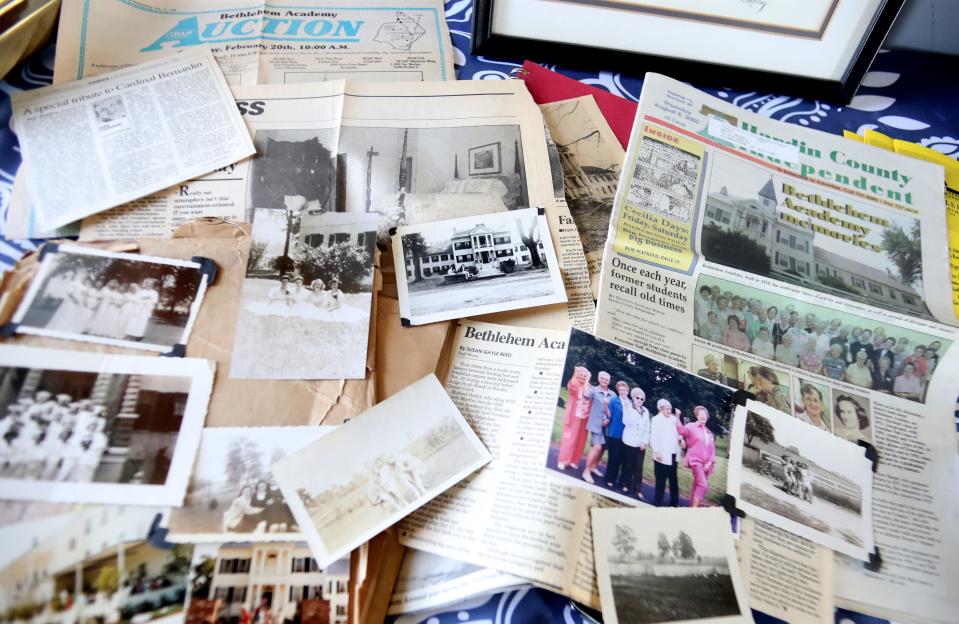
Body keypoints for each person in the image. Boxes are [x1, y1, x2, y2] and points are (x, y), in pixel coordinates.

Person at [675, 406, 716, 507]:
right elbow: (681, 430)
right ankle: (694, 510)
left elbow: (712, 451)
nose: (703, 416)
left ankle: (690, 507)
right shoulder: (691, 426)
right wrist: (677, 416)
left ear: (707, 416)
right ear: (697, 416)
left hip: (706, 464)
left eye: (704, 414)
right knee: (703, 486)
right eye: (700, 414)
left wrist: (709, 463)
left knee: (697, 485)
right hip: (695, 461)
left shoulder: (709, 433)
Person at [556, 366, 591, 471]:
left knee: (580, 440)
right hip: (574, 416)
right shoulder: (575, 383)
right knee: (569, 439)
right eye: (581, 375)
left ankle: (574, 461)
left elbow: (587, 395)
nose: (583, 377)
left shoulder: (588, 386)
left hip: (584, 417)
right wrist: (575, 373)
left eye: (585, 376)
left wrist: (586, 382)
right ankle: (563, 461)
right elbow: (571, 387)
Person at [582, 372, 614, 484]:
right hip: (596, 424)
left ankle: (593, 467)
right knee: (597, 447)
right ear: (599, 378)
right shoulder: (594, 390)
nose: (604, 380)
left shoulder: (613, 394)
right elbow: (586, 394)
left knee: (604, 447)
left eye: (607, 379)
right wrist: (587, 380)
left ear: (609, 381)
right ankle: (586, 472)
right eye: (602, 378)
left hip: (608, 426)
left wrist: (608, 420)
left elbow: (613, 411)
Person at [619, 387, 650, 499]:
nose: (640, 400)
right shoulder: (628, 407)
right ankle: (625, 484)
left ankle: (637, 489)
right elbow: (626, 422)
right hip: (628, 441)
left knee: (638, 467)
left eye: (642, 399)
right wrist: (628, 410)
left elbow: (647, 428)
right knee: (627, 465)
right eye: (637, 398)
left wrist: (645, 442)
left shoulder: (646, 411)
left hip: (640, 444)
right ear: (633, 398)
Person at [650, 399, 681, 507]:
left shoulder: (674, 419)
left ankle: (674, 503)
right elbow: (653, 437)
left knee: (673, 480)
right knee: (660, 479)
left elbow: (680, 432)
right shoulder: (656, 419)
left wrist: (681, 439)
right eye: (667, 409)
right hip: (661, 454)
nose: (669, 411)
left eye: (670, 409)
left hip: (673, 454)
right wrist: (656, 451)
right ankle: (658, 501)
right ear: (661, 409)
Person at [604, 381, 630, 487]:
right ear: (618, 390)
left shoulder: (631, 402)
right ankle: (609, 479)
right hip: (614, 433)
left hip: (626, 436)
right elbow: (609, 415)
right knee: (613, 458)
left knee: (621, 459)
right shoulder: (614, 400)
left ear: (627, 391)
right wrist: (605, 406)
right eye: (620, 390)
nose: (622, 391)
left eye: (624, 390)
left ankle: (617, 480)